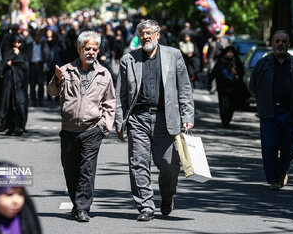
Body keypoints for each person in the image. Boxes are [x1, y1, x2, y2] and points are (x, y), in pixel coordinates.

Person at [115, 20, 194, 221]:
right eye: (142, 34)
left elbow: (184, 88)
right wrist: (119, 122)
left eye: (149, 33)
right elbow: (120, 95)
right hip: (138, 118)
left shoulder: (174, 55)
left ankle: (167, 196)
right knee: (138, 163)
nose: (145, 37)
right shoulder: (128, 60)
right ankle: (145, 206)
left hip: (166, 119)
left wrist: (187, 116)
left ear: (157, 34)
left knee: (169, 164)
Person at [47, 30, 115, 222]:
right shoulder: (66, 70)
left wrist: (104, 127)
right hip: (68, 130)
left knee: (87, 170)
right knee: (70, 170)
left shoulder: (104, 74)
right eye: (87, 48)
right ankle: (77, 205)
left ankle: (83, 208)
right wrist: (57, 79)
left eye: (94, 49)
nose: (91, 52)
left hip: (92, 129)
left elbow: (110, 102)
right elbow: (51, 91)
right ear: (79, 49)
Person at [249, 30, 293, 190]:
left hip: (291, 112)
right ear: (272, 44)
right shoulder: (263, 64)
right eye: (277, 41)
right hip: (269, 112)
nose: (280, 44)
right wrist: (263, 99)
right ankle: (274, 179)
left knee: (291, 148)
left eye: (283, 41)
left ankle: (282, 170)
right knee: (270, 147)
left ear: (288, 44)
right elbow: (253, 85)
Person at [0, 35, 29, 135]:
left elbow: (25, 67)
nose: (16, 45)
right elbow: (2, 66)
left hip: (19, 85)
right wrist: (7, 64)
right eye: (15, 42)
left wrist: (16, 59)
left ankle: (19, 126)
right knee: (8, 104)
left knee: (19, 105)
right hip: (8, 84)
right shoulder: (9, 52)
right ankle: (10, 127)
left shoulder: (24, 54)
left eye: (19, 42)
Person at [211, 46, 249, 127]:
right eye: (228, 52)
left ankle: (228, 119)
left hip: (233, 87)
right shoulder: (221, 61)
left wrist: (237, 75)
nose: (229, 54)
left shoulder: (236, 62)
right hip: (222, 86)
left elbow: (241, 71)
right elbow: (214, 71)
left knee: (231, 105)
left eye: (231, 52)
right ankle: (224, 119)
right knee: (223, 104)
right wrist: (209, 82)